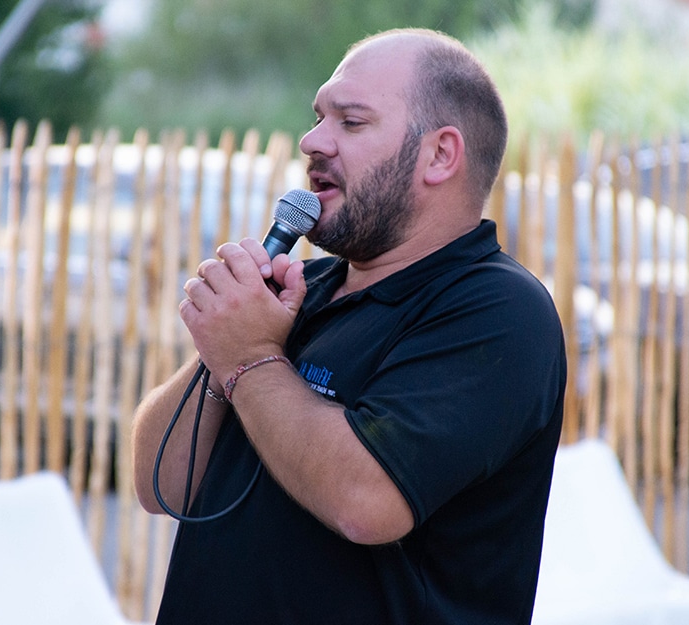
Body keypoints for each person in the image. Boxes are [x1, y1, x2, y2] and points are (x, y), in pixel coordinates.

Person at [132, 28, 566, 625]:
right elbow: (162, 486)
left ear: (439, 155)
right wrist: (225, 350)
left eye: (351, 122)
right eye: (317, 118)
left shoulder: (499, 310)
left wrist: (252, 358)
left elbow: (366, 502)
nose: (312, 140)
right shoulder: (300, 292)